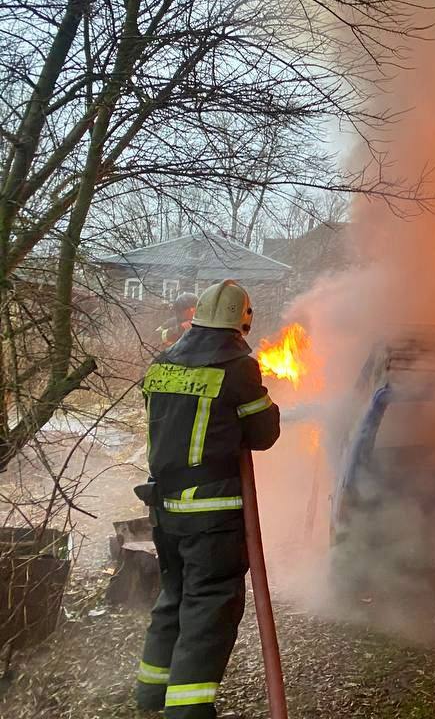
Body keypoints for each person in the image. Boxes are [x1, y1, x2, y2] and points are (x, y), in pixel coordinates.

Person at [134, 279, 280, 719]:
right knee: (209, 607)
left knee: (173, 598)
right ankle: (188, 710)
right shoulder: (237, 366)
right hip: (211, 515)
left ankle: (151, 695)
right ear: (243, 321)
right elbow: (264, 434)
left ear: (196, 317)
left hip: (165, 509)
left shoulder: (163, 362)